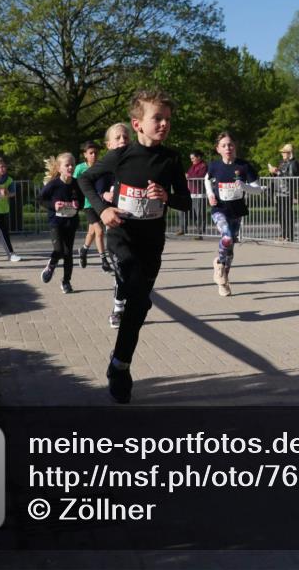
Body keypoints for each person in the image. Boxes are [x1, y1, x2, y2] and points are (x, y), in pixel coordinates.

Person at [78, 89, 192, 404]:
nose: (164, 124)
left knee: (139, 306)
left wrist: (167, 197)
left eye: (168, 119)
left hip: (152, 244)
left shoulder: (171, 158)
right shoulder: (122, 155)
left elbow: (185, 202)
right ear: (138, 123)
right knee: (137, 295)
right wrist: (103, 209)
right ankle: (121, 368)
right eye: (157, 118)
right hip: (122, 240)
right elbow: (84, 180)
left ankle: (118, 363)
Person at [205, 132, 266, 297]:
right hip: (219, 209)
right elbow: (207, 179)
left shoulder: (244, 166)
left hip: (236, 211)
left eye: (230, 145)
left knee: (230, 249)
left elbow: (258, 189)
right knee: (226, 237)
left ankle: (223, 280)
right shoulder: (214, 166)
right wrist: (210, 195)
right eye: (224, 145)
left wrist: (244, 186)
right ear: (218, 149)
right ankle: (219, 263)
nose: (228, 148)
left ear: (235, 146)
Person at [100, 122, 132, 327]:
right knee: (122, 267)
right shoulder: (105, 168)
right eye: (118, 138)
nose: (122, 141)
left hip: (138, 224)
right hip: (116, 226)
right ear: (109, 144)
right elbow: (93, 188)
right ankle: (118, 308)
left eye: (126, 137)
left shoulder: (137, 163)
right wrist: (104, 195)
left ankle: (131, 304)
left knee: (136, 271)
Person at [38, 153, 84, 294]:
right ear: (59, 168)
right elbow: (40, 199)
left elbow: (82, 202)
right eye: (67, 165)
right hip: (56, 222)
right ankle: (51, 265)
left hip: (71, 222)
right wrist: (53, 205)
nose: (70, 167)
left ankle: (66, 282)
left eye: (72, 165)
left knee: (68, 253)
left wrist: (78, 204)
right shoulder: (54, 184)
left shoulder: (77, 184)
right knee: (59, 250)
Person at [74, 141, 112, 273]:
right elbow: (73, 185)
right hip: (88, 205)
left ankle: (83, 250)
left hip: (100, 204)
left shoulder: (101, 167)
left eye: (96, 153)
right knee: (99, 231)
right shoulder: (80, 169)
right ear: (85, 155)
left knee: (92, 232)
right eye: (91, 153)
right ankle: (104, 261)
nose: (94, 155)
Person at [268, 143, 299, 241]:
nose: (282, 154)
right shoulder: (282, 162)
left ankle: (289, 235)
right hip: (279, 191)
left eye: (284, 152)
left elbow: (291, 177)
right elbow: (278, 175)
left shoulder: (293, 163)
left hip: (287, 192)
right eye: (282, 152)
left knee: (287, 214)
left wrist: (278, 172)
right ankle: (283, 234)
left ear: (290, 153)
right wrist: (273, 172)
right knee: (280, 214)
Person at [182, 150, 208, 237]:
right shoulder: (192, 166)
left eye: (193, 158)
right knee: (188, 211)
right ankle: (184, 229)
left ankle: (200, 232)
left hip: (199, 193)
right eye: (191, 158)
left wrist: (188, 176)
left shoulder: (203, 166)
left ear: (199, 157)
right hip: (190, 193)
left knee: (199, 213)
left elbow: (201, 176)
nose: (191, 160)